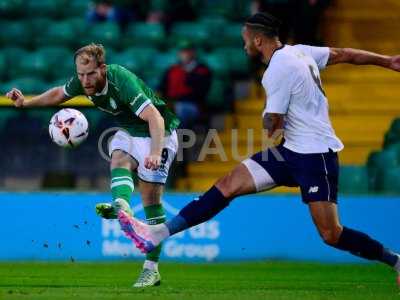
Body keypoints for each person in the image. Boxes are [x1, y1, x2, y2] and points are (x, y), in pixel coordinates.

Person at [117, 13, 400, 285]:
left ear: (258, 41)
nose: (243, 45)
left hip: (315, 155)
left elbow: (272, 125)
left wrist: (269, 117)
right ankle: (159, 233)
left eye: (245, 40)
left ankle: (395, 261)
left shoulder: (277, 69)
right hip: (290, 151)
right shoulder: (299, 51)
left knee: (331, 233)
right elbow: (344, 54)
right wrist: (386, 61)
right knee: (228, 184)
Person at [6, 43, 180, 288]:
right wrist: (25, 103)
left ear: (103, 69)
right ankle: (122, 205)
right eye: (81, 75)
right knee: (118, 154)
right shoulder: (82, 81)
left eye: (90, 74)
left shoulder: (120, 79)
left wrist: (154, 152)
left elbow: (156, 117)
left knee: (151, 200)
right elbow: (58, 94)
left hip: (159, 134)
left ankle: (151, 269)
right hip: (131, 131)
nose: (85, 80)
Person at [159, 41, 212, 129]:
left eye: (187, 51)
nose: (184, 54)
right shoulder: (172, 70)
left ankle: (181, 139)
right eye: (182, 51)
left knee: (181, 108)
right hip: (171, 103)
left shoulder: (202, 70)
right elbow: (162, 88)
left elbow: (201, 92)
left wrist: (187, 74)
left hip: (193, 105)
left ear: (193, 52)